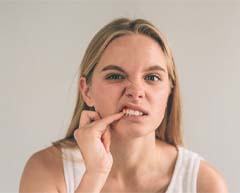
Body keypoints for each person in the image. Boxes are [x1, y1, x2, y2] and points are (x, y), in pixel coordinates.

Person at [19, 18, 228, 193]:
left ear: (170, 92)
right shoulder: (46, 170)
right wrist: (95, 174)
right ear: (87, 91)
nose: (136, 91)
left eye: (152, 77)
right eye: (116, 76)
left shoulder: (204, 183)